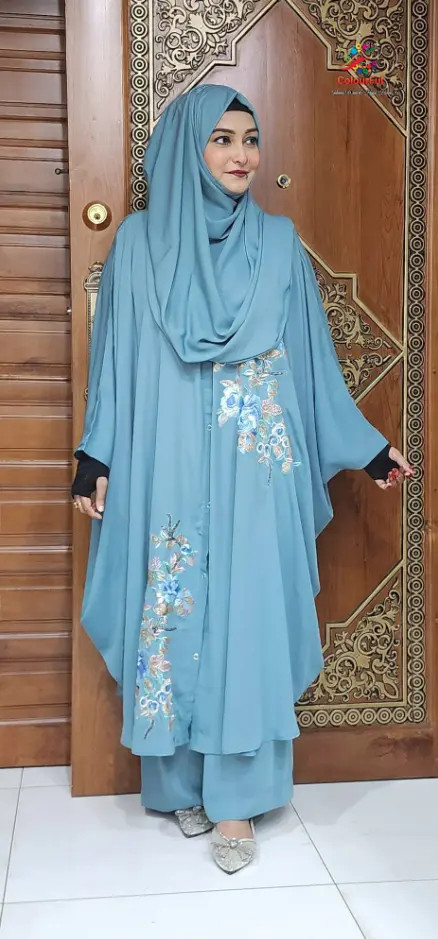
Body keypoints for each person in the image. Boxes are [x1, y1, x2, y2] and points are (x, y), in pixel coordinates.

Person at [71, 84, 413, 874]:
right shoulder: (139, 245)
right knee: (172, 606)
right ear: (187, 150)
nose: (241, 155)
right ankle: (181, 782)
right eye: (222, 138)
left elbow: (312, 363)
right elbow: (114, 363)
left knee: (245, 615)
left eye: (250, 139)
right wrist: (97, 455)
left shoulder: (279, 244)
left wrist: (366, 446)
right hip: (165, 460)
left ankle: (237, 797)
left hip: (253, 464)